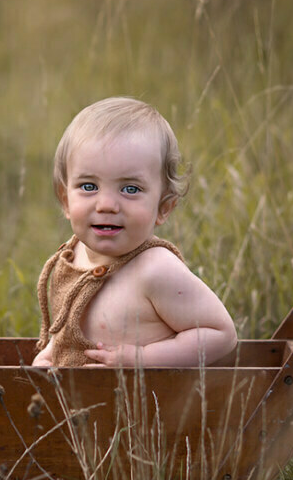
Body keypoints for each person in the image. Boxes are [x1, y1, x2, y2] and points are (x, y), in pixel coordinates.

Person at [32, 97, 238, 368]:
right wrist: (49, 355)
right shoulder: (70, 260)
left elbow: (220, 335)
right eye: (89, 186)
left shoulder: (156, 269)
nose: (106, 205)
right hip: (77, 404)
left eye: (130, 189)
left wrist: (143, 359)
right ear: (65, 200)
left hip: (144, 408)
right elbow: (65, 331)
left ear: (163, 207)